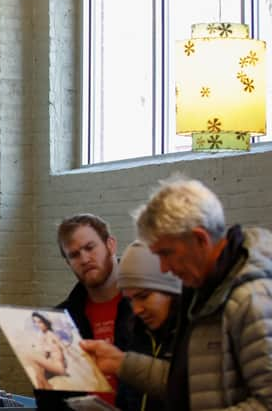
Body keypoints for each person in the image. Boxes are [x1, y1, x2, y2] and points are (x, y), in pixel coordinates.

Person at [81, 176, 272, 411]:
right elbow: (188, 384)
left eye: (167, 253)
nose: (163, 268)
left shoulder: (251, 298)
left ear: (200, 239)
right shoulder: (204, 294)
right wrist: (121, 363)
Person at [55, 213, 133, 406]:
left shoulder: (143, 307)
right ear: (68, 262)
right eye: (74, 255)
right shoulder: (61, 319)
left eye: (90, 248)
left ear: (110, 244)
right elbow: (51, 397)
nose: (84, 258)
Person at [114, 240, 182, 411]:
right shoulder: (136, 334)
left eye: (143, 296)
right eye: (130, 300)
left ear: (170, 291)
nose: (136, 309)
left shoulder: (193, 337)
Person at [27, 312, 68, 390]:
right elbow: (45, 355)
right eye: (35, 322)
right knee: (38, 375)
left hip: (59, 366)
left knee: (30, 357)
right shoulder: (43, 336)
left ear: (45, 322)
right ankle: (45, 390)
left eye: (39, 322)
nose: (37, 325)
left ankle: (47, 385)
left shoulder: (50, 334)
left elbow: (63, 348)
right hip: (51, 366)